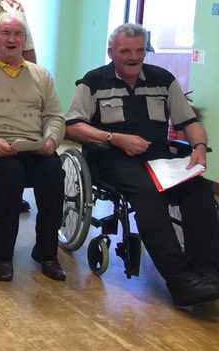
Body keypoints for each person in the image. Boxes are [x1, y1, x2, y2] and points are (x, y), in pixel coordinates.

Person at [65, 22, 219, 307]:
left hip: (160, 159)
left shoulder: (163, 79)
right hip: (113, 159)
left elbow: (189, 122)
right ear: (111, 51)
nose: (133, 57)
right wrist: (115, 138)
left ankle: (209, 272)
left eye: (139, 50)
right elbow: (73, 127)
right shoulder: (93, 81)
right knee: (149, 195)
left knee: (198, 189)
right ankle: (181, 280)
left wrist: (199, 149)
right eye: (125, 51)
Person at [0, 16, 66, 282]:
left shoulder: (41, 75)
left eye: (18, 34)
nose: (12, 39)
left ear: (24, 40)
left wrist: (51, 140)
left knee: (53, 171)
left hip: (34, 147)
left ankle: (47, 252)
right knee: (11, 172)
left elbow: (54, 116)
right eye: (6, 33)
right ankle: (3, 253)